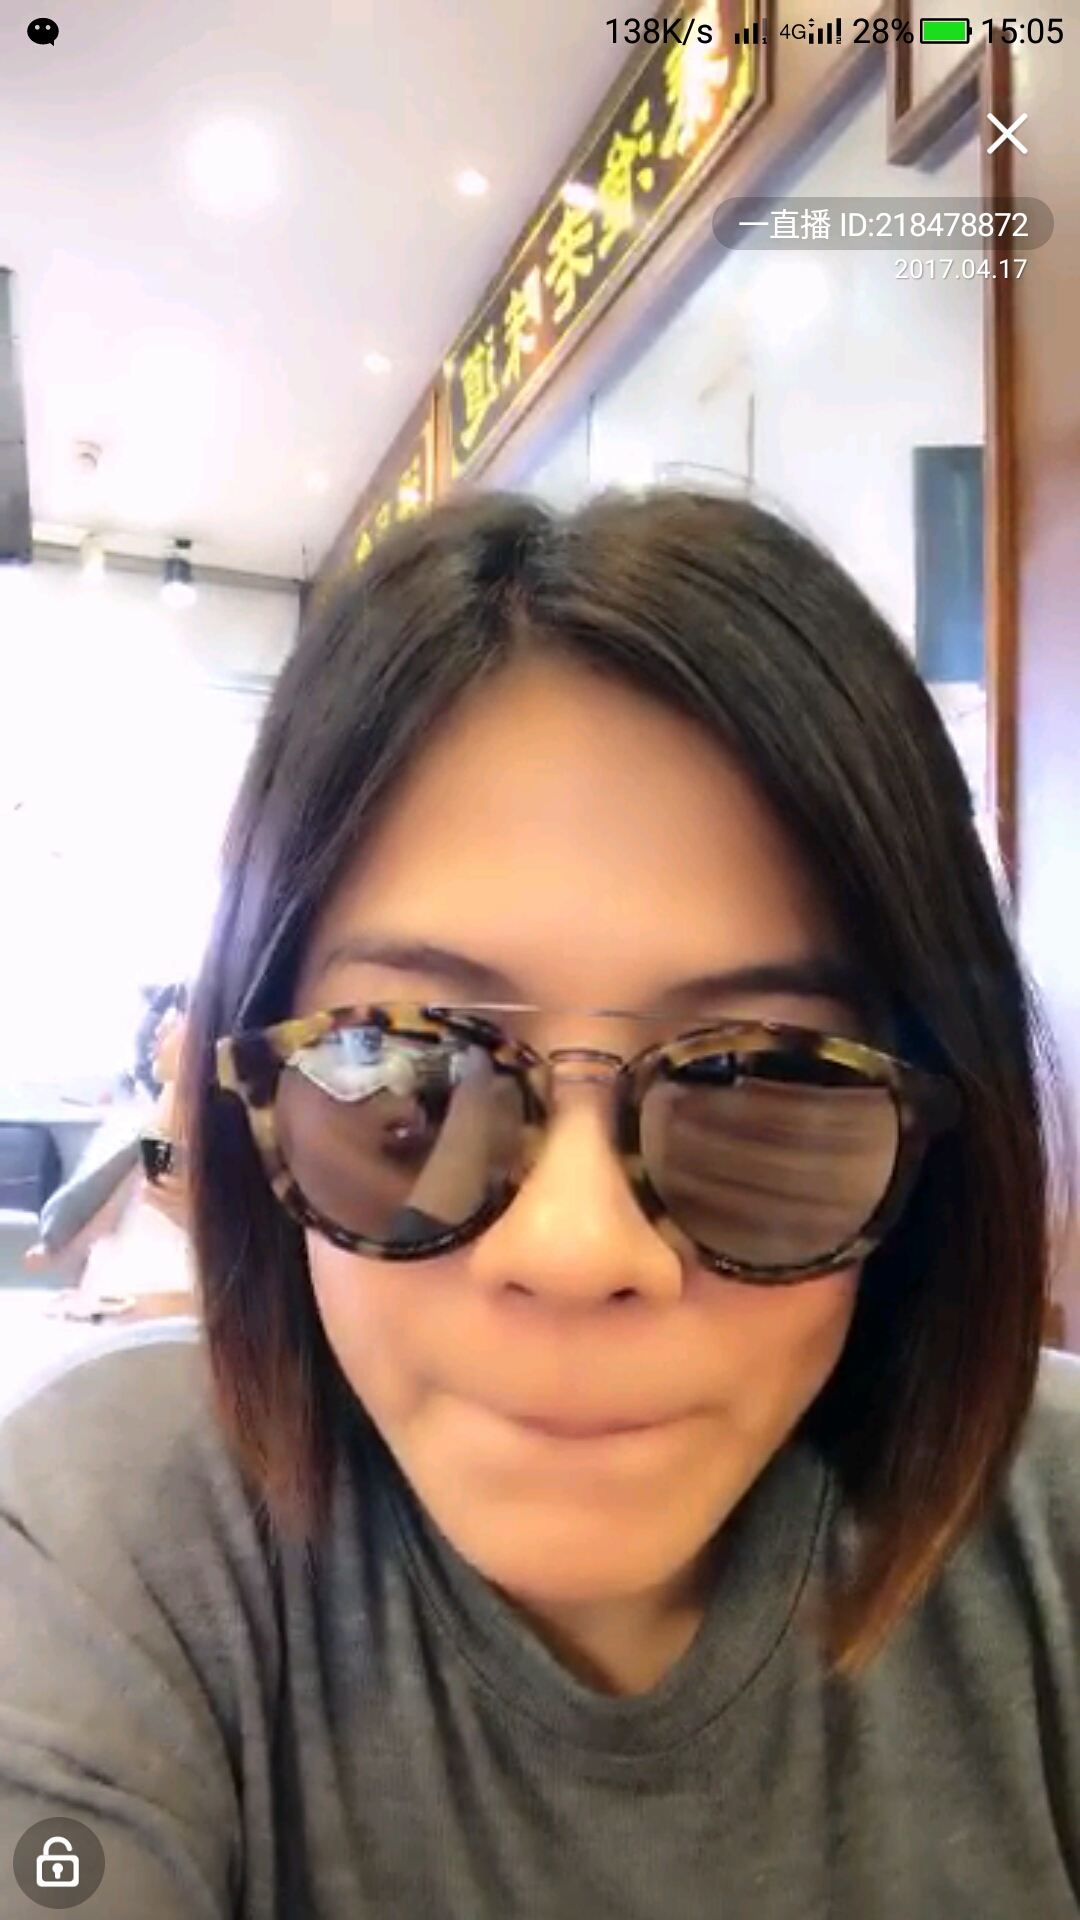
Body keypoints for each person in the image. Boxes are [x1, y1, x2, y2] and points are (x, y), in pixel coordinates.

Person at [0, 488, 1076, 1919]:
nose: (574, 1248)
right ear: (250, 1103)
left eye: (757, 1087)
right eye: (407, 1083)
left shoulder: (1053, 1546)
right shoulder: (116, 1545)